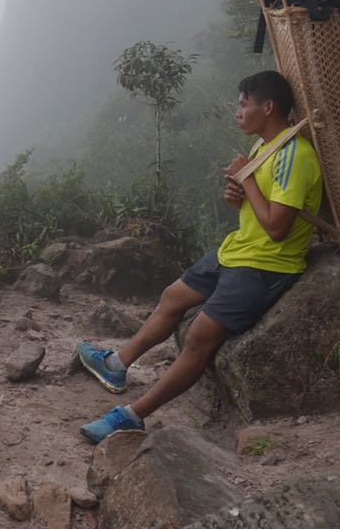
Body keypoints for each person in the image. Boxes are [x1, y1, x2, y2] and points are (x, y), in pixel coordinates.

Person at [76, 70, 323, 443]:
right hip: (238, 251)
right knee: (172, 297)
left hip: (266, 266)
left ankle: (130, 415)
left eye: (243, 105)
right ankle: (116, 364)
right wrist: (239, 193)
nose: (238, 112)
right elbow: (261, 208)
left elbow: (277, 228)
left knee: (199, 339)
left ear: (268, 107)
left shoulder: (295, 155)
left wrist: (248, 180)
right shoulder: (263, 148)